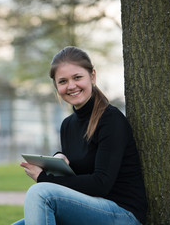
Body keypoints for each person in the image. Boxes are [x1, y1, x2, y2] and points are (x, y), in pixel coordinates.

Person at [12, 46, 147, 225]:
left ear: (92, 76)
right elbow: (76, 177)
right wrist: (57, 160)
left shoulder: (111, 119)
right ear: (56, 86)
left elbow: (101, 183)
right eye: (63, 81)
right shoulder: (67, 125)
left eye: (77, 77)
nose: (71, 86)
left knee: (40, 193)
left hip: (123, 214)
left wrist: (44, 178)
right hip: (89, 209)